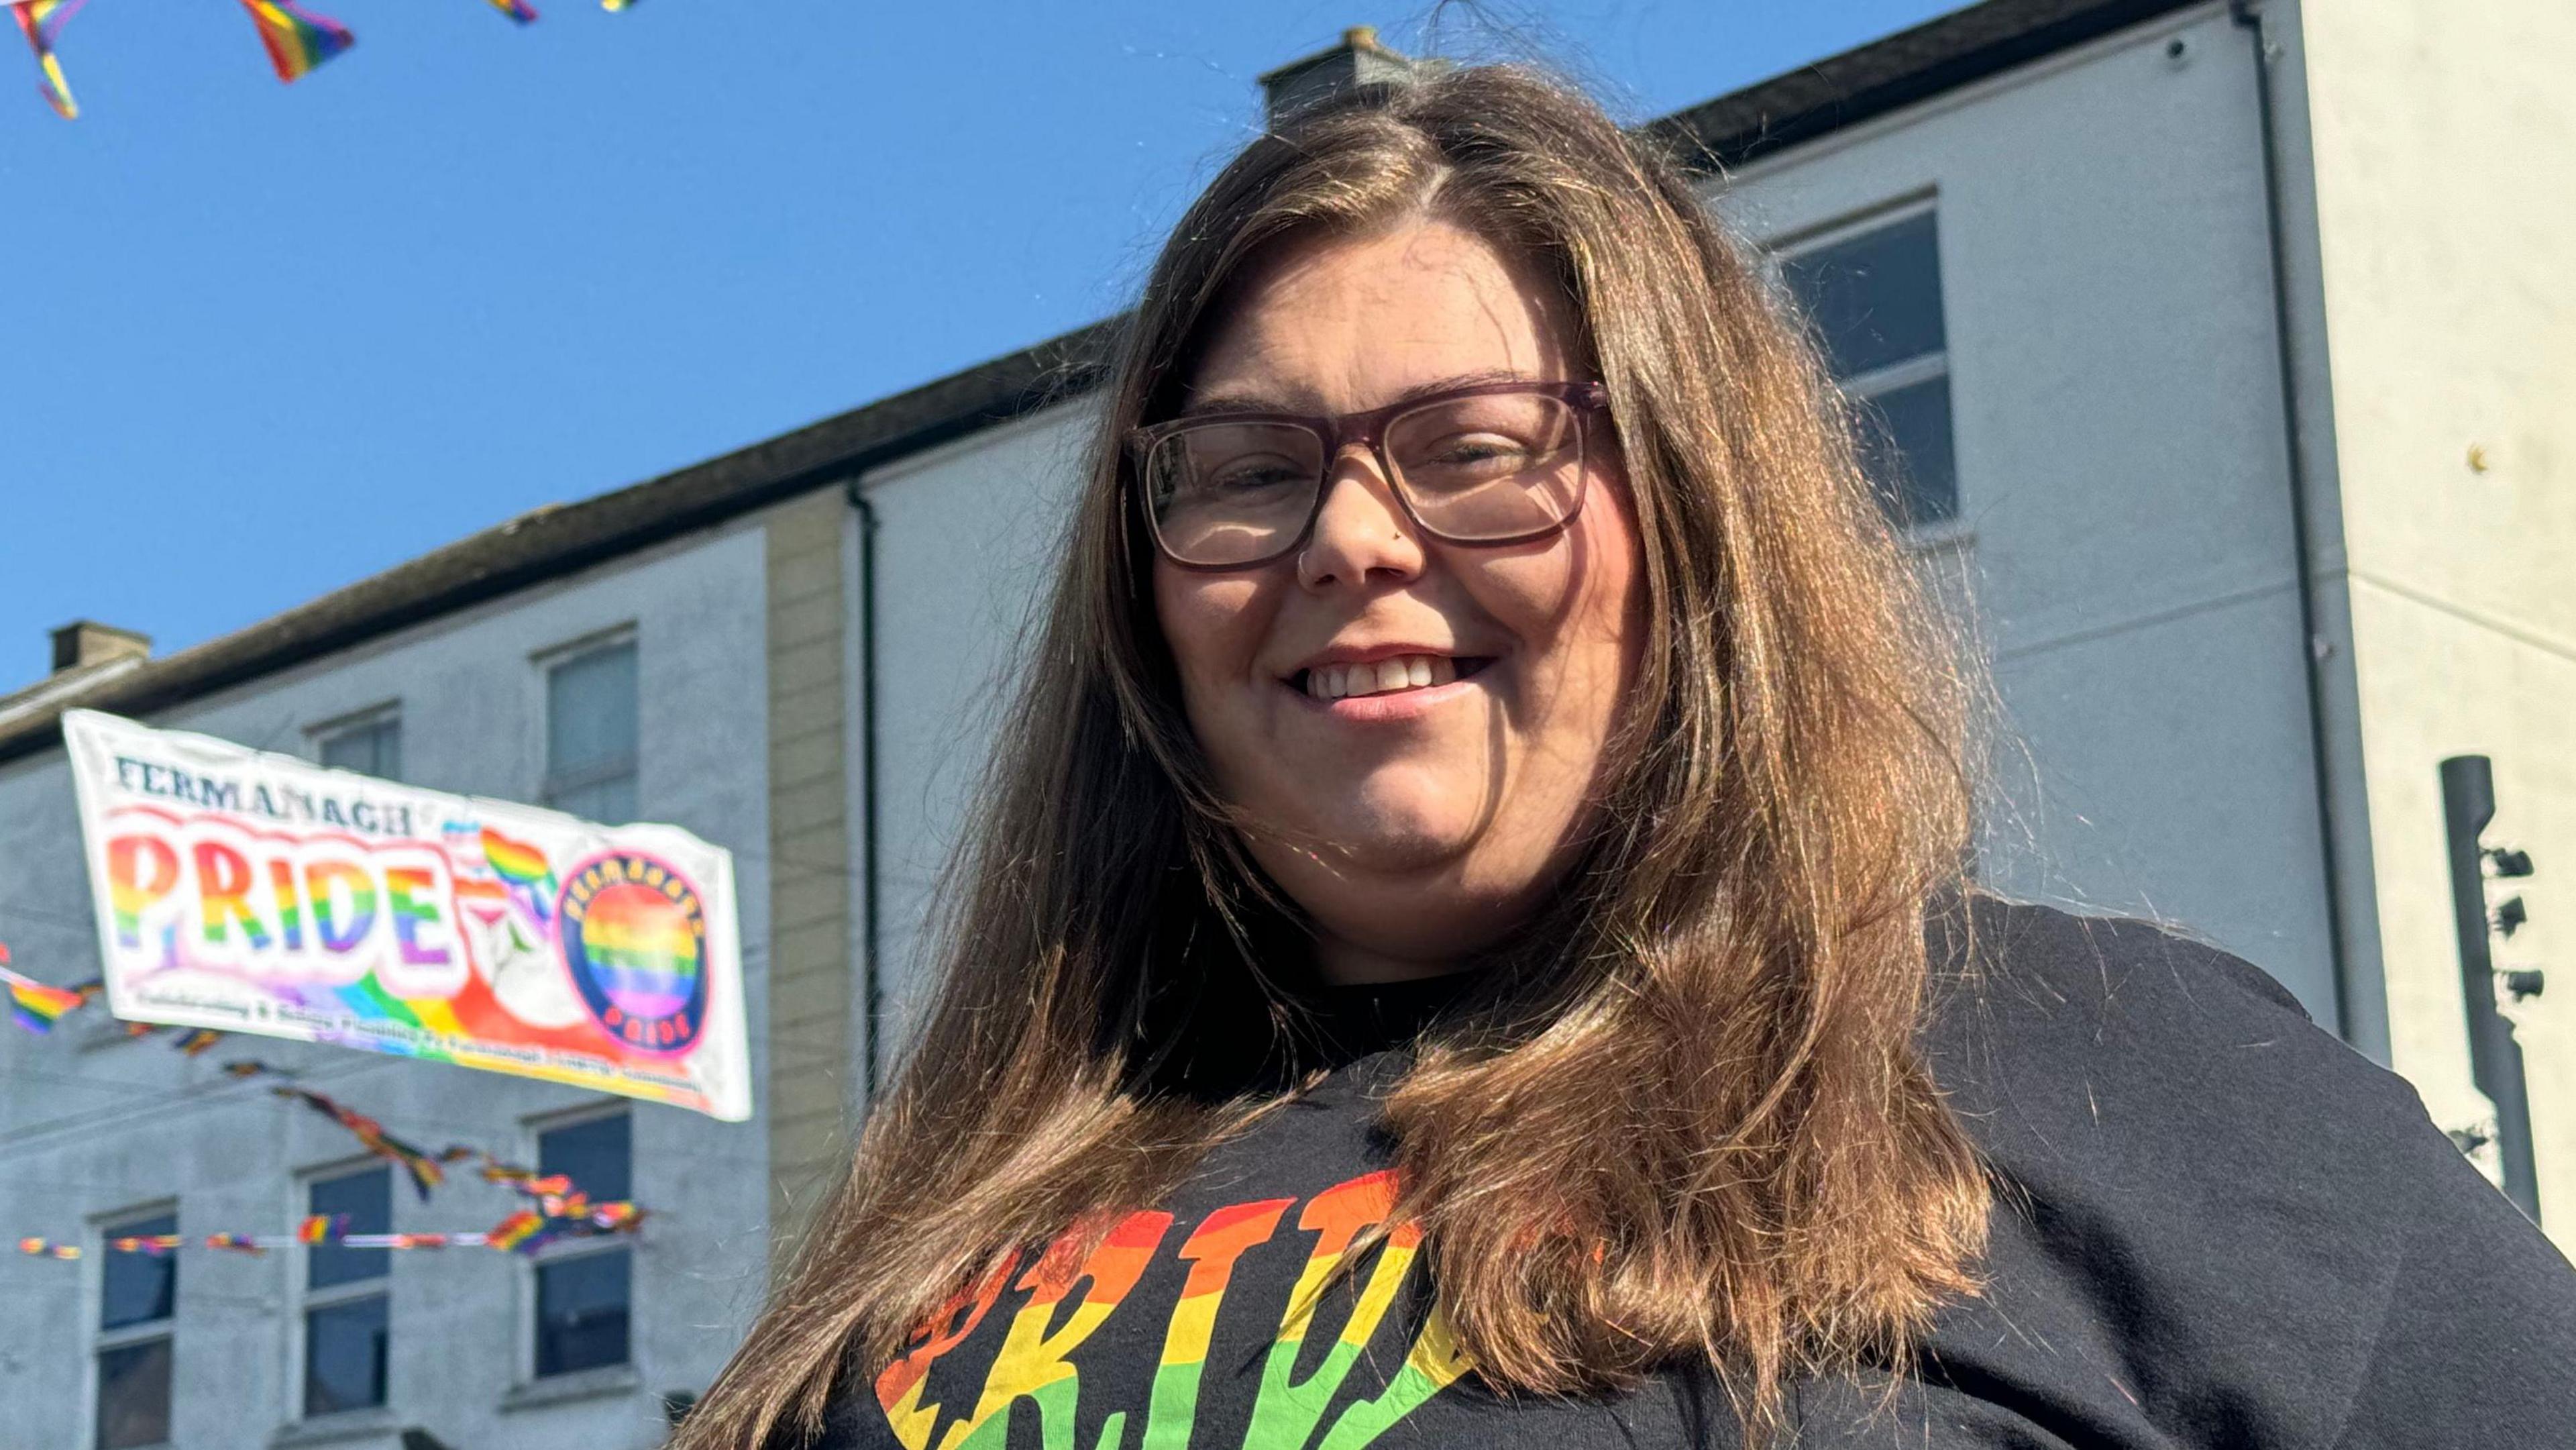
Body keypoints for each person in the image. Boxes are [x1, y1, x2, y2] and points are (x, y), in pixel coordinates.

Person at [678, 64, 2576, 1450]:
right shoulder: (945, 1229)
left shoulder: (2130, 1083)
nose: (1350, 538)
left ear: (1698, 518)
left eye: (1480, 444)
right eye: (1252, 468)